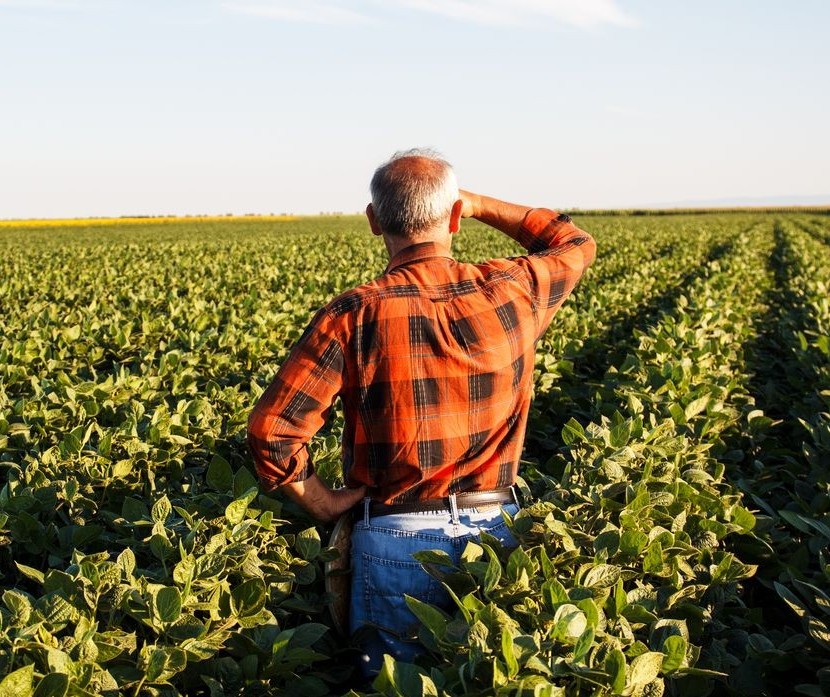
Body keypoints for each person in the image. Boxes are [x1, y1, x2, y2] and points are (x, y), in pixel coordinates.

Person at [247, 148, 596, 676]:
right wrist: (478, 203)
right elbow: (573, 243)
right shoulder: (513, 289)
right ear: (455, 217)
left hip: (392, 537)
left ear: (373, 221)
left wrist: (319, 502)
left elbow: (273, 432)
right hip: (494, 533)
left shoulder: (353, 313)